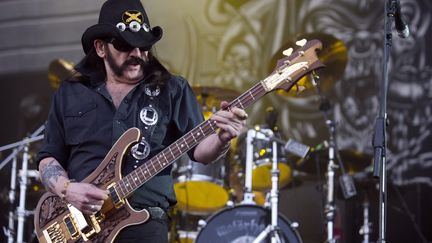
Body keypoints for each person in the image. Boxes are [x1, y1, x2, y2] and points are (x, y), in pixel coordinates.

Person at [36, 0, 248, 242]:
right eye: (125, 45)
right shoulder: (71, 92)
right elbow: (48, 157)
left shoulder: (172, 89)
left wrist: (222, 139)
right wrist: (67, 189)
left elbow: (200, 152)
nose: (137, 54)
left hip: (145, 223)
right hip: (80, 225)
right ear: (100, 48)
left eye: (143, 46)